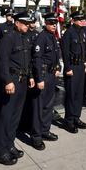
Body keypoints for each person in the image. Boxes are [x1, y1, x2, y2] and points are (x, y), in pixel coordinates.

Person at [0, 12, 34, 166]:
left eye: (28, 23)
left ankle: (10, 145)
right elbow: (3, 61)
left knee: (15, 117)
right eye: (25, 23)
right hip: (12, 82)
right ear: (17, 23)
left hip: (23, 81)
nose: (27, 25)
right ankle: (1, 151)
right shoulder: (8, 38)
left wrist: (30, 76)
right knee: (6, 116)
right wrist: (7, 81)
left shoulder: (25, 38)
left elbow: (27, 60)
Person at [31, 12, 61, 150]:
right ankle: (36, 137)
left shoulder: (53, 38)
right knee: (39, 107)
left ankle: (45, 130)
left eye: (55, 23)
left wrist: (58, 67)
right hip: (43, 76)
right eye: (51, 23)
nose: (54, 25)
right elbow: (36, 59)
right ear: (46, 24)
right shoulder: (41, 37)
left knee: (49, 105)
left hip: (51, 75)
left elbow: (56, 55)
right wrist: (39, 78)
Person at [60, 10, 86, 133]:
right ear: (73, 20)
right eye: (79, 20)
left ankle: (76, 117)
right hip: (72, 67)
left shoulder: (82, 32)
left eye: (83, 20)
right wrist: (67, 68)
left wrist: (85, 62)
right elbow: (65, 52)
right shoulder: (68, 33)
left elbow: (85, 48)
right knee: (71, 95)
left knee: (78, 94)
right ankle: (69, 120)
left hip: (81, 66)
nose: (82, 21)